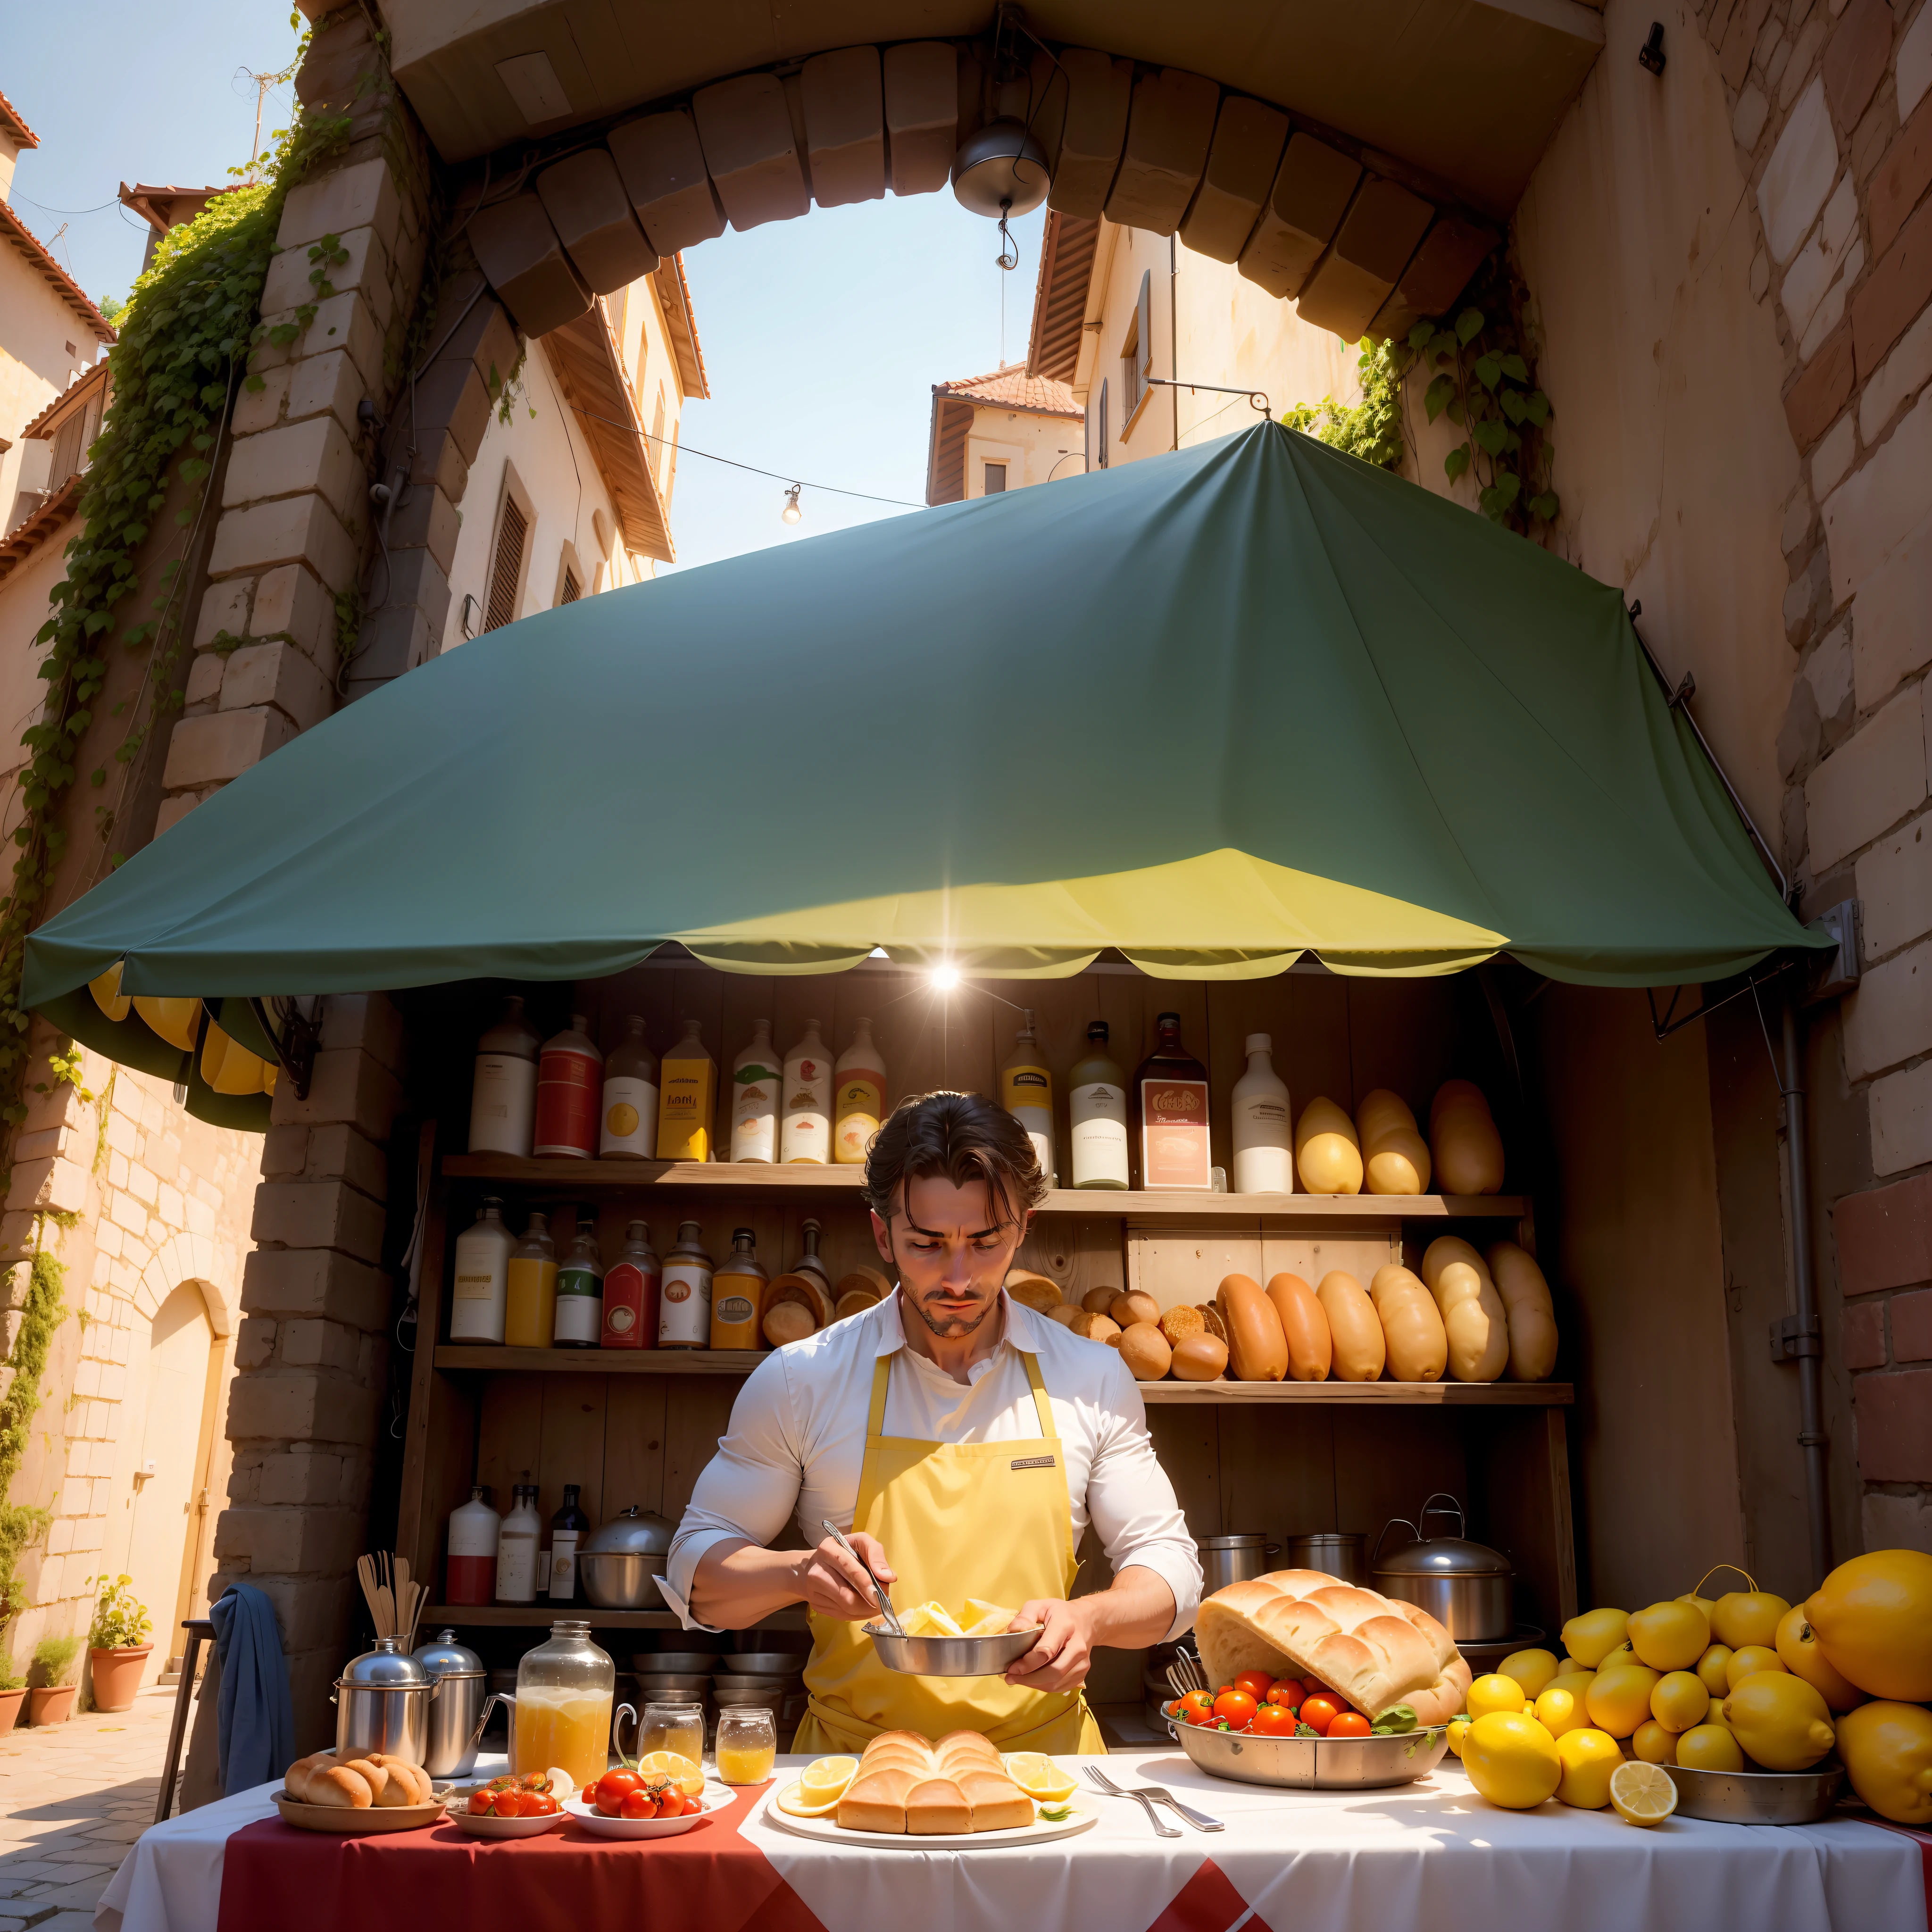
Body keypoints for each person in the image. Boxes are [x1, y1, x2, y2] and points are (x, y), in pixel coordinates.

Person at [662, 1089, 1200, 1755]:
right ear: (883, 1234)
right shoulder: (802, 1378)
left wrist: (1090, 1617)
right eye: (926, 1243)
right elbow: (697, 1580)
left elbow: (1169, 1570)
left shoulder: (1091, 1377)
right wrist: (800, 1574)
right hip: (852, 1770)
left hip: (1046, 1769)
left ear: (1024, 1227)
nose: (957, 1275)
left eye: (984, 1241)